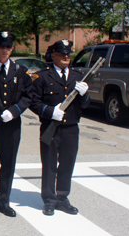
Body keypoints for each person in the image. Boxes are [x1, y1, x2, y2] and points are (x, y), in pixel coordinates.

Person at [30, 39, 89, 216]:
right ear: (53, 55)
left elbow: (84, 105)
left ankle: (62, 198)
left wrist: (85, 94)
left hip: (71, 128)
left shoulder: (78, 76)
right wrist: (49, 111)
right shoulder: (42, 77)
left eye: (68, 54)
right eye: (61, 53)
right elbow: (33, 102)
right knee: (49, 164)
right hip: (50, 127)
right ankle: (49, 200)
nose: (65, 56)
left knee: (67, 164)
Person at [0, 32, 33, 218]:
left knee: (8, 164)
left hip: (12, 124)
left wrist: (15, 110)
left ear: (12, 48)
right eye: (1, 46)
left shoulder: (20, 71)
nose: (5, 50)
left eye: (8, 47)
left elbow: (29, 96)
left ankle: (4, 200)